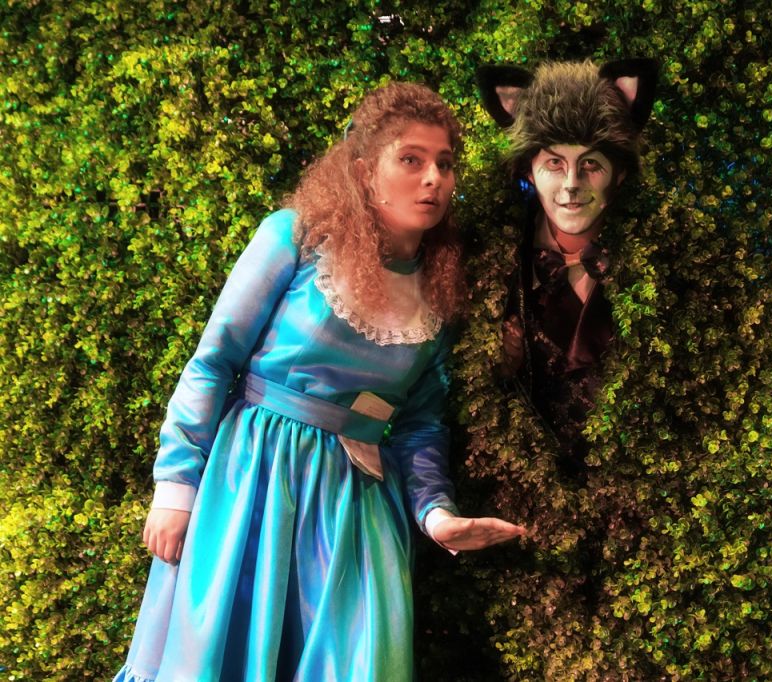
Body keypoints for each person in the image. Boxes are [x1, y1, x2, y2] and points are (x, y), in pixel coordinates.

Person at [114, 82, 525, 682]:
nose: (433, 178)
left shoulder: (440, 290)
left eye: (444, 162)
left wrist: (436, 515)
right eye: (411, 159)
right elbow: (214, 360)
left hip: (354, 511)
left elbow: (419, 424)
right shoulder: (296, 238)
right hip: (253, 483)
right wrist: (175, 485)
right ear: (364, 172)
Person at [476, 59, 657, 473]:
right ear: (530, 170)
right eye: (555, 164)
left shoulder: (653, 264)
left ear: (619, 175)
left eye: (590, 164)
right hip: (526, 485)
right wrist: (499, 367)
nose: (572, 183)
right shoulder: (496, 263)